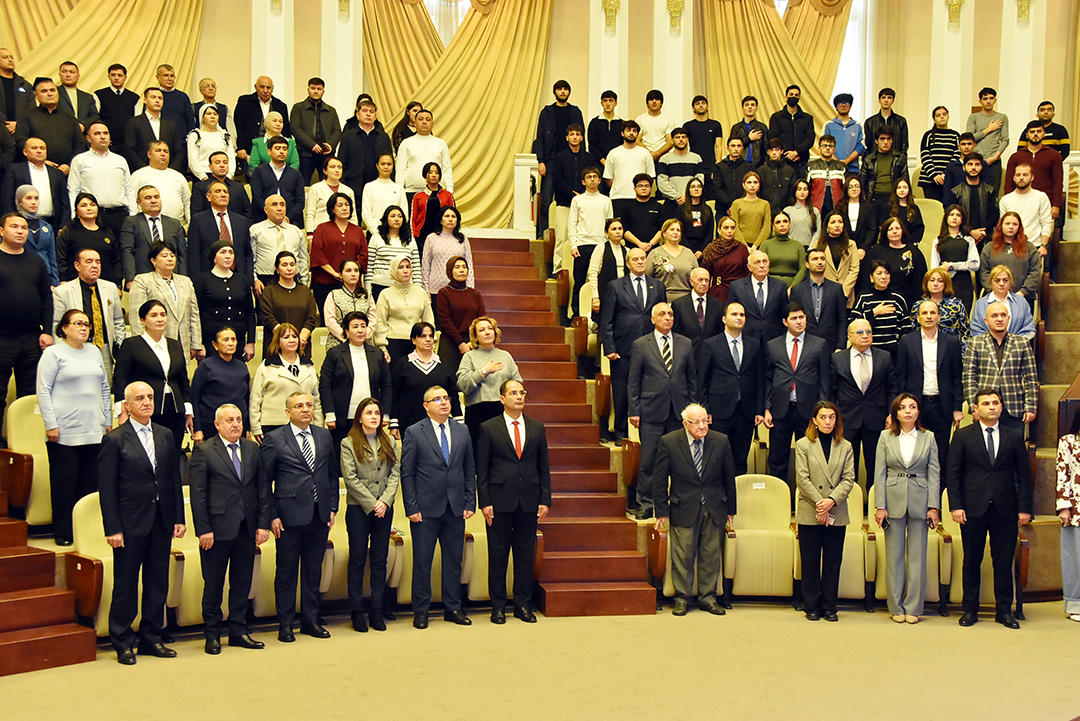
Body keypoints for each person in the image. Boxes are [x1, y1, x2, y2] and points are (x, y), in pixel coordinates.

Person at [99, 381, 186, 665]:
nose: (147, 402)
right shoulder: (115, 440)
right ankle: (122, 641)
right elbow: (108, 489)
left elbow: (174, 479)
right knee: (125, 585)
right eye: (139, 398)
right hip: (129, 523)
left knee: (157, 583)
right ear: (127, 405)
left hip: (161, 521)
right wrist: (112, 528)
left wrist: (178, 518)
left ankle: (151, 638)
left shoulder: (164, 434)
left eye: (150, 397)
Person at [947, 388, 1032, 629]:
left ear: (1002, 408)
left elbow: (1024, 476)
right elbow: (953, 474)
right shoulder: (963, 435)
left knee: (1003, 562)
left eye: (995, 403)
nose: (991, 407)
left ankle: (1004, 612)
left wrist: (1024, 508)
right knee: (972, 561)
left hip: (1005, 508)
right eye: (985, 403)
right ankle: (970, 610)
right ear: (976, 409)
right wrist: (956, 506)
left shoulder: (1014, 436)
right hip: (972, 508)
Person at [188, 403, 267, 653]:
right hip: (216, 530)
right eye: (229, 420)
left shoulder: (252, 449)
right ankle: (212, 634)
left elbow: (262, 489)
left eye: (239, 420)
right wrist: (203, 530)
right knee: (213, 585)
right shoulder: (204, 450)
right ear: (217, 425)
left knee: (242, 583)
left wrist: (262, 524)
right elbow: (198, 494)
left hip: (246, 528)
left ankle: (238, 631)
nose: (235, 424)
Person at [260, 392, 339, 641]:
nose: (305, 409)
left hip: (319, 514)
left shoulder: (323, 435)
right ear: (287, 412)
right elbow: (264, 483)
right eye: (299, 406)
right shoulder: (274, 439)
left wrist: (333, 507)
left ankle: (310, 620)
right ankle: (285, 623)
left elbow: (331, 474)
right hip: (288, 516)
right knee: (286, 572)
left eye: (308, 405)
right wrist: (272, 515)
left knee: (313, 570)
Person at [401, 385, 476, 628]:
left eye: (446, 398)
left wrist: (470, 500)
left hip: (455, 508)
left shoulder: (462, 431)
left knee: (454, 560)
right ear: (426, 406)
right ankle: (421, 610)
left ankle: (453, 608)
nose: (443, 402)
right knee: (423, 561)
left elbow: (469, 469)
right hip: (424, 509)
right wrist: (411, 506)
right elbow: (407, 472)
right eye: (437, 399)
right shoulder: (414, 432)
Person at [476, 380, 551, 623]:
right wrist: (484, 501)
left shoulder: (537, 428)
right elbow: (482, 469)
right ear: (502, 398)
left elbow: (543, 467)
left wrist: (545, 499)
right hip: (498, 502)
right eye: (513, 393)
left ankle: (522, 605)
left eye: (521, 393)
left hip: (528, 500)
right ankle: (498, 606)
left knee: (524, 555)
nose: (518, 397)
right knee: (498, 555)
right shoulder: (488, 428)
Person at [654, 402, 736, 616]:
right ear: (685, 424)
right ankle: (682, 598)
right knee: (683, 555)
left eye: (705, 420)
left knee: (711, 554)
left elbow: (729, 478)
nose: (702, 426)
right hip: (684, 506)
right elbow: (660, 480)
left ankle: (708, 598)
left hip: (714, 506)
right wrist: (661, 511)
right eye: (696, 422)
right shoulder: (670, 442)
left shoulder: (720, 440)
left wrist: (731, 509)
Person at [37, 308, 110, 545]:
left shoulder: (94, 351)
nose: (83, 328)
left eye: (87, 324)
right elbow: (43, 390)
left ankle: (86, 532)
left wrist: (107, 420)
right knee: (65, 484)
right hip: (65, 430)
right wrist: (51, 423)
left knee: (90, 485)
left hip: (93, 428)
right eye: (78, 323)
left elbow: (104, 388)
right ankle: (64, 532)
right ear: (64, 328)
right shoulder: (53, 353)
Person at [874, 393, 941, 624]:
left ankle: (913, 606)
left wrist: (934, 506)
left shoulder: (928, 437)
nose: (908, 411)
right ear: (896, 413)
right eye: (903, 408)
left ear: (918, 412)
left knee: (917, 556)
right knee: (893, 557)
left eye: (913, 407)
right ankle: (896, 606)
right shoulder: (885, 437)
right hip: (892, 498)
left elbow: (934, 473)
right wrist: (880, 506)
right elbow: (880, 472)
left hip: (920, 499)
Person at [627, 302, 696, 519]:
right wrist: (634, 411)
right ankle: (646, 503)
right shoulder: (641, 344)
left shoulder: (685, 343)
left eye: (671, 314)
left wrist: (694, 410)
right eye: (663, 314)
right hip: (651, 412)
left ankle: (677, 502)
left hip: (679, 413)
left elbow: (691, 379)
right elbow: (634, 381)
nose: (667, 318)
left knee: (679, 460)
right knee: (649, 460)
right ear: (653, 319)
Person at [340, 396, 399, 632]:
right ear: (360, 418)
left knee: (379, 559)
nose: (374, 417)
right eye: (369, 413)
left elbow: (395, 475)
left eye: (376, 413)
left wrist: (384, 501)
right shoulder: (348, 442)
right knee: (356, 560)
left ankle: (376, 609)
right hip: (359, 508)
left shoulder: (391, 442)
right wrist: (372, 503)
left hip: (384, 508)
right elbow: (350, 479)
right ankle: (356, 611)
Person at [795, 401, 855, 622]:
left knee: (832, 561)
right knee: (810, 560)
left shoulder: (845, 446)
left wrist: (830, 501)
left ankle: (829, 605)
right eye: (823, 417)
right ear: (814, 420)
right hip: (810, 509)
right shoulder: (803, 445)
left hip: (836, 511)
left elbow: (849, 479)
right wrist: (820, 503)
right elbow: (802, 478)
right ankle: (811, 605)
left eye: (831, 417)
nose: (828, 421)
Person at [601, 247, 667, 443]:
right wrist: (610, 348)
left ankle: (649, 433)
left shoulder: (657, 285)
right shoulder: (616, 286)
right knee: (622, 392)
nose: (640, 262)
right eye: (635, 259)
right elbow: (607, 320)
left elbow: (663, 316)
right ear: (628, 264)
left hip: (651, 349)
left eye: (642, 259)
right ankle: (621, 433)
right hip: (623, 349)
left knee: (650, 390)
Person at [764, 303, 832, 487]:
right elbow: (768, 379)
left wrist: (823, 412)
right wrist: (767, 408)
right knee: (778, 459)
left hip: (809, 412)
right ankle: (779, 500)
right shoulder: (773, 345)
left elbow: (825, 380)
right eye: (794, 318)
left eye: (802, 317)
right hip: (781, 410)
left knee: (811, 459)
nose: (799, 321)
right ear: (785, 322)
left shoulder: (819, 344)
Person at [895, 299, 964, 483]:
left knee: (940, 453)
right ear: (918, 318)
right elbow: (900, 375)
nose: (928, 316)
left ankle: (938, 499)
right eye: (924, 313)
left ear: (939, 317)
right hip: (916, 405)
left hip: (942, 405)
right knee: (915, 451)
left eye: (932, 313)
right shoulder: (907, 341)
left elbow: (957, 377)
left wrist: (957, 407)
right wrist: (902, 405)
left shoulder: (951, 342)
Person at [113, 298, 192, 453]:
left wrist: (188, 410)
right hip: (146, 409)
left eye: (163, 315)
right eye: (154, 315)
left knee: (173, 454)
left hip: (175, 410)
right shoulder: (131, 344)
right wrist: (122, 410)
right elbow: (121, 379)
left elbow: (183, 380)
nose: (160, 319)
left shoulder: (174, 344)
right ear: (143, 320)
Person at [698, 301, 764, 477]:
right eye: (734, 314)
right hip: (719, 411)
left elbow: (759, 380)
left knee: (740, 460)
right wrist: (705, 410)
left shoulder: (754, 345)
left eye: (742, 315)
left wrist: (759, 410)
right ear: (724, 319)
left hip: (746, 411)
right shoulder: (711, 344)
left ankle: (738, 500)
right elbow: (703, 379)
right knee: (716, 458)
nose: (739, 318)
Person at [0, 212, 53, 427]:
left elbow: (46, 298)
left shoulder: (37, 261)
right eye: (14, 226)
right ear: (1, 231)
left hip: (32, 337)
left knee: (29, 395)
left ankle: (24, 441)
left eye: (23, 227)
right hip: (2, 338)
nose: (20, 231)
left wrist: (47, 331)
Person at [832, 319, 894, 493]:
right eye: (860, 333)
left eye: (868, 332)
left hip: (876, 418)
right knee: (847, 466)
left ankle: (874, 505)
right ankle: (850, 503)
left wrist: (890, 414)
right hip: (847, 419)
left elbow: (892, 388)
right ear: (849, 337)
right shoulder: (838, 359)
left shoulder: (884, 357)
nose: (865, 336)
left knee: (876, 465)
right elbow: (832, 391)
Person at [962, 301, 1038, 435]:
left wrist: (1030, 407)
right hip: (985, 407)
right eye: (994, 316)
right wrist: (974, 407)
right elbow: (969, 377)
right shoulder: (975, 343)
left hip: (1014, 407)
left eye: (1003, 315)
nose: (999, 319)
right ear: (986, 320)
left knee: (1013, 450)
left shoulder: (1022, 343)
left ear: (1008, 319)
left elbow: (1031, 378)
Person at [320, 311, 393, 448]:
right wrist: (329, 413)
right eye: (355, 326)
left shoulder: (376, 353)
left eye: (363, 326)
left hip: (370, 418)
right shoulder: (335, 353)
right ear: (346, 331)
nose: (360, 330)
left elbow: (387, 385)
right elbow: (325, 385)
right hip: (342, 417)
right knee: (342, 456)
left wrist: (386, 413)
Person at [52, 247, 125, 378]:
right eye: (89, 261)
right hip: (76, 348)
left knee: (105, 389)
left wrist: (120, 345)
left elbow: (118, 320)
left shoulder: (110, 288)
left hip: (105, 349)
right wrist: (62, 351)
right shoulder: (63, 291)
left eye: (98, 262)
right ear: (77, 266)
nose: (94, 266)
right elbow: (57, 323)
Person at [128, 241, 201, 359]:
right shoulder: (142, 281)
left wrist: (195, 344)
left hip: (182, 342)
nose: (170, 259)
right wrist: (141, 346)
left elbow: (194, 315)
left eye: (172, 255)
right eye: (164, 256)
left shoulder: (186, 282)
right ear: (153, 260)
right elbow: (137, 317)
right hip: (154, 343)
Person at [250, 323, 322, 442]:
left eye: (294, 336)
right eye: (286, 337)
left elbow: (317, 399)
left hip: (304, 425)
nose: (292, 340)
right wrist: (256, 427)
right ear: (278, 341)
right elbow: (256, 399)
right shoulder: (266, 366)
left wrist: (318, 426)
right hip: (274, 425)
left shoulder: (308, 365)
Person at [458, 316, 523, 445]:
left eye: (490, 329)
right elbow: (462, 385)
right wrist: (483, 371)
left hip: (502, 410)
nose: (487, 332)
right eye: (482, 330)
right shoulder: (469, 356)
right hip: (477, 413)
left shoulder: (505, 356)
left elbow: (517, 382)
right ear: (475, 336)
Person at [534, 80, 584, 238]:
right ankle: (543, 233)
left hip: (571, 159)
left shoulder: (575, 112)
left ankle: (575, 233)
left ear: (569, 92)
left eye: (565, 89)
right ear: (554, 92)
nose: (562, 92)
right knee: (546, 201)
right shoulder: (547, 112)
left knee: (573, 197)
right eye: (559, 89)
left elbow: (582, 136)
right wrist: (541, 161)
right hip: (550, 160)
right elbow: (540, 137)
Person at [391, 321, 462, 431]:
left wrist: (458, 419)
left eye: (430, 336)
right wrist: (394, 422)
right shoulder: (403, 364)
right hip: (409, 424)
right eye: (423, 336)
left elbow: (453, 394)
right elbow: (394, 394)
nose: (428, 339)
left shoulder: (444, 364)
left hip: (440, 424)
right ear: (414, 340)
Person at [67, 122, 131, 240]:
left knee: (121, 253)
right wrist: (74, 215)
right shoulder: (80, 160)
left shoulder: (120, 160)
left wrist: (133, 215)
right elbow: (73, 191)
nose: (102, 136)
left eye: (105, 133)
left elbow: (129, 190)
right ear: (88, 138)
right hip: (94, 215)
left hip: (119, 215)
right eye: (97, 133)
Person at [550, 125, 599, 272]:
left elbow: (592, 179)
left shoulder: (589, 158)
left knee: (582, 239)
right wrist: (573, 196)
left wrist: (583, 197)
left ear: (582, 138)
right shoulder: (559, 157)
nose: (575, 137)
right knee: (561, 238)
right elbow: (557, 181)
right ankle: (558, 269)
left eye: (578, 134)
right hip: (565, 204)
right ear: (567, 138)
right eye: (572, 134)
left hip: (586, 205)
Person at [309, 192, 367, 314]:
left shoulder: (357, 231)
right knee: (328, 319)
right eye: (340, 205)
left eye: (347, 205)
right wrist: (335, 273)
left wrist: (348, 273)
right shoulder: (322, 228)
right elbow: (317, 254)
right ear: (332, 209)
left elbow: (363, 255)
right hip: (326, 282)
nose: (345, 208)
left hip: (351, 284)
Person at [565, 166, 611, 318]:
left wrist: (607, 244)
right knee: (579, 281)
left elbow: (609, 224)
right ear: (583, 182)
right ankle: (576, 314)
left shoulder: (606, 200)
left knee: (601, 281)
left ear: (599, 180)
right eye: (589, 177)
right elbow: (572, 224)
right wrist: (573, 245)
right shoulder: (577, 200)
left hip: (601, 245)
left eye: (595, 177)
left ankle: (600, 313)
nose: (592, 179)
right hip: (582, 245)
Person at [190, 327, 251, 441]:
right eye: (226, 340)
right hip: (210, 425)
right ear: (215, 345)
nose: (230, 343)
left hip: (237, 425)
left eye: (233, 339)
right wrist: (198, 428)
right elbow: (195, 398)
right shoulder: (206, 366)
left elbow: (246, 399)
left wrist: (247, 427)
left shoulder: (242, 367)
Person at [120, 185, 188, 287]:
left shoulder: (174, 224)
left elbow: (182, 253)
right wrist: (130, 278)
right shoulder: (132, 222)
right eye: (148, 198)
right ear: (139, 203)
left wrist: (182, 278)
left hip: (171, 278)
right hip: (142, 278)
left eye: (156, 197)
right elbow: (127, 251)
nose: (153, 201)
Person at [188, 180, 253, 283]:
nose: (223, 194)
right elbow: (193, 254)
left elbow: (247, 253)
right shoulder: (198, 220)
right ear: (208, 197)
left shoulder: (241, 221)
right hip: (209, 278)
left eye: (225, 192)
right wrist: (197, 282)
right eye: (218, 191)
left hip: (238, 277)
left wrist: (249, 280)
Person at [1, 136, 68, 234]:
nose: (39, 151)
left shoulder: (57, 173)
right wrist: (13, 222)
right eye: (34, 148)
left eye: (42, 148)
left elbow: (65, 203)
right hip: (22, 224)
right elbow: (7, 199)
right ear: (25, 152)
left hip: (52, 223)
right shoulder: (14, 170)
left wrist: (63, 226)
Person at [13, 78, 84, 171]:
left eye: (52, 90)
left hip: (68, 171)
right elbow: (21, 142)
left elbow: (80, 144)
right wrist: (40, 161)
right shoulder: (27, 116)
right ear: (37, 96)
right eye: (44, 91)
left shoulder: (69, 117)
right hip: (37, 169)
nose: (50, 94)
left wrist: (69, 165)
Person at [978, 212, 1041, 313]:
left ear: (1019, 227)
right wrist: (996, 291)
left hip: (1023, 298)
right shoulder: (989, 248)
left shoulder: (1029, 248)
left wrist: (1023, 292)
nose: (1011, 227)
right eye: (1007, 224)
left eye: (1015, 224)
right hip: (995, 299)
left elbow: (1035, 271)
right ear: (1001, 226)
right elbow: (983, 271)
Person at [375, 256, 434, 363]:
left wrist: (430, 341)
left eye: (408, 267)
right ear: (393, 270)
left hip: (418, 342)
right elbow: (380, 322)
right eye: (400, 267)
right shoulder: (385, 294)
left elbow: (429, 319)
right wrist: (382, 347)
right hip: (393, 343)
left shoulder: (421, 292)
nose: (405, 270)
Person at [859, 216, 927, 308]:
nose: (894, 231)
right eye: (890, 229)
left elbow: (921, 281)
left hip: (908, 302)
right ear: (885, 232)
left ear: (902, 231)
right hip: (879, 302)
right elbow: (865, 280)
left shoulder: (914, 252)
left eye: (897, 228)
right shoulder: (875, 252)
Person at [259, 251, 317, 357]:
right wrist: (287, 339)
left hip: (301, 346)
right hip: (276, 346)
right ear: (277, 269)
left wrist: (299, 340)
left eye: (292, 264)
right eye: (284, 265)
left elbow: (311, 319)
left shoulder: (305, 291)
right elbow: (267, 318)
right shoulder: (269, 291)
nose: (289, 268)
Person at [55, 192, 122, 284]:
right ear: (76, 211)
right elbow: (61, 258)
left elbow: (117, 260)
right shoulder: (69, 231)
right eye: (84, 205)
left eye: (93, 205)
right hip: (75, 283)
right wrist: (63, 279)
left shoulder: (107, 231)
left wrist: (118, 284)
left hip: (106, 283)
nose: (89, 208)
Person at [727, 250, 787, 349]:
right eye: (757, 262)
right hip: (746, 338)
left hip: (774, 340)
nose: (762, 265)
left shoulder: (780, 286)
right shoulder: (737, 286)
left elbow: (784, 314)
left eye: (765, 261)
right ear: (749, 267)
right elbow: (731, 314)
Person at [790, 248, 848, 351]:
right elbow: (793, 320)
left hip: (831, 344)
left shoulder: (836, 289)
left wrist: (840, 346)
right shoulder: (797, 290)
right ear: (807, 264)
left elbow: (842, 319)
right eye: (815, 259)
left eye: (822, 259)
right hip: (804, 344)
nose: (819, 262)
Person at [234, 76, 291, 176]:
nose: (265, 90)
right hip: (250, 149)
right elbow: (239, 126)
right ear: (256, 87)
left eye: (268, 88)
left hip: (275, 149)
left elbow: (285, 130)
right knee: (255, 177)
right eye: (262, 87)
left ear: (272, 89)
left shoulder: (280, 105)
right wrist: (241, 147)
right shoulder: (244, 102)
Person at [336, 98, 392, 202]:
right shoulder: (348, 137)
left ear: (375, 117)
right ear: (357, 115)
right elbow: (341, 163)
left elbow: (390, 163)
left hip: (378, 189)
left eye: (371, 112)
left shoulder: (384, 137)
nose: (368, 114)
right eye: (365, 111)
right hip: (353, 188)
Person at [437, 256, 485, 375]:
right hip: (450, 342)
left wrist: (473, 342)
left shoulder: (475, 294)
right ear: (450, 271)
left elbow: (481, 319)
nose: (461, 270)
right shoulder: (444, 293)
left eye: (464, 267)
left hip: (472, 343)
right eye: (457, 267)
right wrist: (460, 343)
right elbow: (445, 321)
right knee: (450, 379)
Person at [250, 194, 309, 291]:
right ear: (265, 210)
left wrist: (304, 282)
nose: (279, 208)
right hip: (265, 280)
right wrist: (255, 280)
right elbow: (251, 259)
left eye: (282, 205)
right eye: (274, 205)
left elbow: (303, 259)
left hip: (293, 280)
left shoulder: (296, 231)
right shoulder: (256, 230)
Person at [289, 78, 341, 186]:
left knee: (329, 183)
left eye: (319, 89)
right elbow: (295, 128)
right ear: (308, 90)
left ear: (323, 91)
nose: (316, 91)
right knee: (303, 184)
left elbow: (337, 131)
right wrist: (312, 145)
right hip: (305, 154)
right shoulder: (298, 108)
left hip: (326, 154)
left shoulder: (331, 110)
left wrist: (331, 145)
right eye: (313, 88)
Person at [944, 153, 999, 250]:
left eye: (977, 164)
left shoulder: (990, 190)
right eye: (970, 164)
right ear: (964, 167)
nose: (973, 168)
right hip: (961, 239)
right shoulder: (955, 192)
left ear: (982, 167)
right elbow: (952, 216)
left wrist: (981, 233)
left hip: (985, 238)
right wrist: (970, 232)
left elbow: (994, 215)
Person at [128, 142, 190, 226]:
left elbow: (187, 203)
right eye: (158, 150)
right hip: (147, 226)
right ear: (149, 154)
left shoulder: (178, 176)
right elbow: (131, 202)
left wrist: (190, 224)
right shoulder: (138, 175)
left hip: (176, 226)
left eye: (166, 151)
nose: (163, 154)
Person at [367, 205, 421, 302]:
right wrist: (367, 290)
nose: (396, 219)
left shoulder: (410, 240)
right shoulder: (376, 238)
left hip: (405, 287)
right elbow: (369, 266)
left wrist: (418, 288)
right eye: (393, 216)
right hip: (380, 286)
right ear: (386, 218)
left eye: (400, 216)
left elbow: (416, 267)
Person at [999, 163, 1054, 258]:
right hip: (1011, 246)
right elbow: (1003, 225)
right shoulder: (1005, 200)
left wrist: (1044, 245)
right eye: (1018, 175)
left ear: (1032, 177)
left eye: (1025, 175)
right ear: (1013, 178)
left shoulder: (1041, 197)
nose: (1021, 178)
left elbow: (1047, 222)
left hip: (1035, 246)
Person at [853, 261, 907, 356]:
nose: (883, 277)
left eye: (886, 273)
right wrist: (874, 312)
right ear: (871, 277)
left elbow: (906, 326)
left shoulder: (898, 298)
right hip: (868, 350)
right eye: (879, 273)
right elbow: (853, 323)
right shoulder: (863, 297)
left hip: (894, 351)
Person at [912, 267, 972, 352]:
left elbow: (965, 333)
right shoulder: (918, 305)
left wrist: (962, 355)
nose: (935, 284)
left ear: (945, 284)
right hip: (924, 350)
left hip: (951, 351)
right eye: (932, 280)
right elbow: (913, 330)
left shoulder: (956, 305)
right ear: (926, 283)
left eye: (940, 281)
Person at [123, 88, 183, 173]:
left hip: (168, 173)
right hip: (143, 172)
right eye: (153, 97)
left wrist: (171, 171)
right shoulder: (134, 123)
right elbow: (130, 150)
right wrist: (145, 170)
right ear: (145, 100)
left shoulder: (171, 125)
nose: (157, 100)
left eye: (160, 98)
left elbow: (179, 151)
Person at [931, 205, 979, 312]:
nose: (954, 218)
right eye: (951, 215)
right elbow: (934, 267)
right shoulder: (938, 241)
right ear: (946, 218)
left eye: (958, 215)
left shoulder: (968, 240)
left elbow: (975, 264)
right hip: (944, 285)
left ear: (962, 219)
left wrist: (952, 265)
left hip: (964, 285)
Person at [1056, 414, 1080, 623]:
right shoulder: (1068, 441)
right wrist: (1064, 507)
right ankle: (1076, 604)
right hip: (1076, 511)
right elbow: (1062, 475)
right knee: (1076, 559)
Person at [396, 109, 453, 197]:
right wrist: (399, 192)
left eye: (428, 119)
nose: (424, 122)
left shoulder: (441, 143)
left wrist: (450, 190)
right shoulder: (406, 143)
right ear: (415, 123)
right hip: (411, 192)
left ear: (432, 124)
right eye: (420, 119)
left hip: (436, 192)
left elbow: (447, 168)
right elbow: (400, 170)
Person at [602, 121, 654, 215]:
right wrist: (619, 187)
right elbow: (608, 177)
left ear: (638, 134)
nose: (631, 133)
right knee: (618, 228)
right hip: (618, 198)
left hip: (639, 199)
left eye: (634, 131)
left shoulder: (645, 153)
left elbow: (650, 177)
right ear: (622, 133)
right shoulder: (613, 153)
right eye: (628, 130)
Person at [970, 265, 1035, 340]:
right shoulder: (980, 304)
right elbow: (975, 330)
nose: (1001, 284)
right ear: (991, 282)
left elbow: (1029, 328)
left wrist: (1015, 343)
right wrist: (993, 344)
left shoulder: (1021, 302)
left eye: (1005, 280)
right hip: (987, 349)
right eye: (997, 280)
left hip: (1017, 348)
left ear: (1010, 282)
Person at [250, 137, 306, 226]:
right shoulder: (259, 171)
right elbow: (257, 198)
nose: (281, 151)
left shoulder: (295, 173)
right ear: (269, 152)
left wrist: (287, 217)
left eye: (284, 149)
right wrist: (272, 216)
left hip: (291, 221)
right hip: (264, 220)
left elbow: (300, 201)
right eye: (277, 148)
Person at [671, 267, 722, 362]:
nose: (704, 283)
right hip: (687, 356)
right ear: (691, 281)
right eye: (700, 280)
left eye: (707, 280)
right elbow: (676, 333)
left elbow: (720, 332)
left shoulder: (717, 304)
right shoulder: (679, 304)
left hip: (711, 358)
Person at [422, 206, 473, 300]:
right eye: (447, 216)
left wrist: (470, 289)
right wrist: (426, 289)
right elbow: (426, 265)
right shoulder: (431, 238)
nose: (450, 219)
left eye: (453, 216)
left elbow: (469, 264)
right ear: (440, 220)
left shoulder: (463, 239)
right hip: (435, 290)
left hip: (458, 289)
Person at [860, 127, 909, 220]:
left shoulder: (900, 158)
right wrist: (864, 201)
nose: (885, 142)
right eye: (882, 139)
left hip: (893, 198)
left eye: (888, 139)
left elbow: (905, 180)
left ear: (892, 140)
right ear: (876, 141)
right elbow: (862, 183)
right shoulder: (868, 160)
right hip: (874, 198)